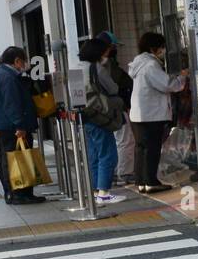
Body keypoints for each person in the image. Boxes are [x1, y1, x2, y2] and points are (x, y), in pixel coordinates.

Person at [128, 32, 189, 193]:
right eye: (162, 47)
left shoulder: (139, 63)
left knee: (141, 148)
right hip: (151, 114)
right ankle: (151, 182)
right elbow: (167, 84)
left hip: (138, 114)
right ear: (154, 48)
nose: (163, 50)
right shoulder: (150, 65)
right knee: (152, 148)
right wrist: (181, 78)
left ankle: (141, 181)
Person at [0, 46, 45, 205]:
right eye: (24, 61)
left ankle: (18, 193)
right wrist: (19, 126)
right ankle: (18, 194)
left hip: (3, 125)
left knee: (10, 159)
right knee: (15, 159)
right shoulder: (8, 77)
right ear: (17, 61)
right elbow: (12, 104)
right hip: (12, 127)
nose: (25, 64)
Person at [78, 37, 127, 206]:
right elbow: (112, 88)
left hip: (84, 116)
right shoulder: (96, 68)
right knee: (108, 154)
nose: (107, 54)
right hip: (100, 115)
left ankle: (95, 190)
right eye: (106, 51)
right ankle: (104, 193)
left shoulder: (76, 68)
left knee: (94, 155)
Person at [97, 32, 136, 187]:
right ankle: (124, 173)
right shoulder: (104, 66)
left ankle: (116, 172)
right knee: (125, 140)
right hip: (115, 109)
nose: (114, 50)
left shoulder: (100, 64)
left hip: (107, 110)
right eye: (112, 47)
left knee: (117, 141)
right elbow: (114, 86)